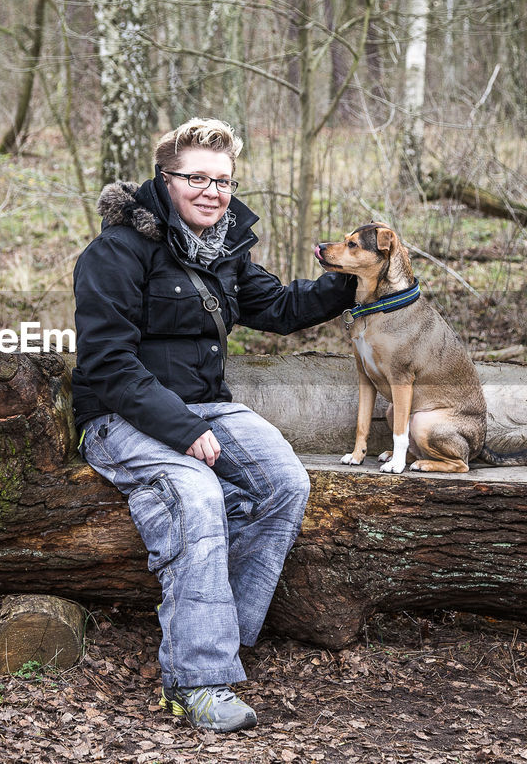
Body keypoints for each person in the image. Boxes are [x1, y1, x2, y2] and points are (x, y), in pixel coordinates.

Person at [72, 118, 357, 732]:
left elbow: (281, 307)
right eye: (196, 178)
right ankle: (197, 679)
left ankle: (216, 628)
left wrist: (353, 279)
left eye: (223, 180)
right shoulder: (115, 252)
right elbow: (107, 364)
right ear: (164, 179)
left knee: (284, 482)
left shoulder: (224, 251)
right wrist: (180, 429)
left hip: (202, 407)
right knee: (196, 492)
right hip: (119, 417)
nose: (212, 191)